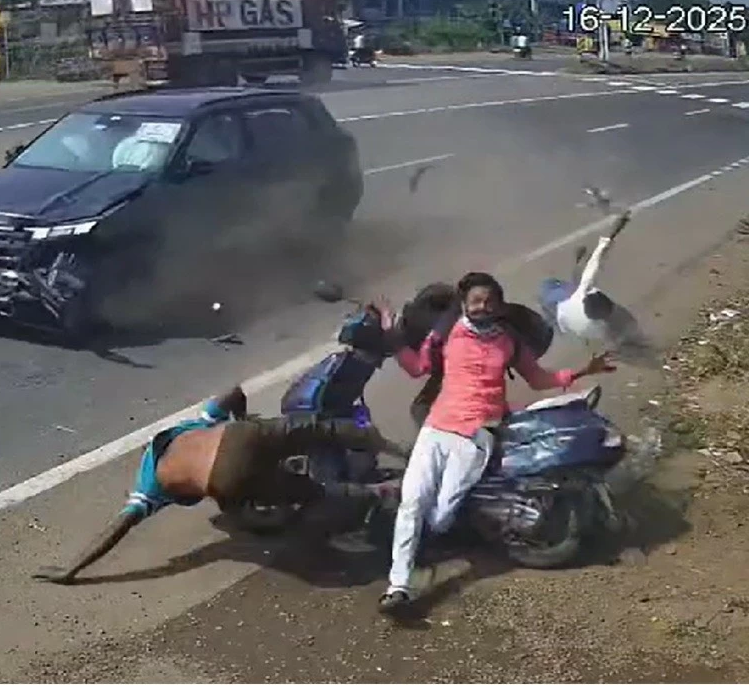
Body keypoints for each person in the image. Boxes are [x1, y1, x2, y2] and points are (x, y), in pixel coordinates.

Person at [373, 273, 615, 615]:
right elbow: (417, 368)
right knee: (413, 502)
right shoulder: (444, 335)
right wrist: (390, 331)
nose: (482, 306)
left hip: (477, 434)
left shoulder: (509, 342)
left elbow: (538, 378)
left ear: (499, 305)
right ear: (464, 304)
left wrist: (582, 372)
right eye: (475, 300)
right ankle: (398, 587)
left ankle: (432, 544)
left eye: (489, 300)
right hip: (437, 428)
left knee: (441, 517)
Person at [31, 385, 401, 585]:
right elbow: (232, 392)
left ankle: (382, 495)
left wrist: (71, 570)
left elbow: (118, 527)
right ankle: (389, 446)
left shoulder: (151, 485)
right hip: (243, 434)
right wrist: (243, 419)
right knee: (323, 429)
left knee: (309, 492)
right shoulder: (188, 428)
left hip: (227, 476)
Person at [539, 212, 640, 349]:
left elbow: (592, 266)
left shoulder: (580, 297)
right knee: (562, 294)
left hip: (559, 304)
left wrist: (611, 235)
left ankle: (545, 307)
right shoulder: (597, 328)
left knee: (551, 286)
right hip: (564, 314)